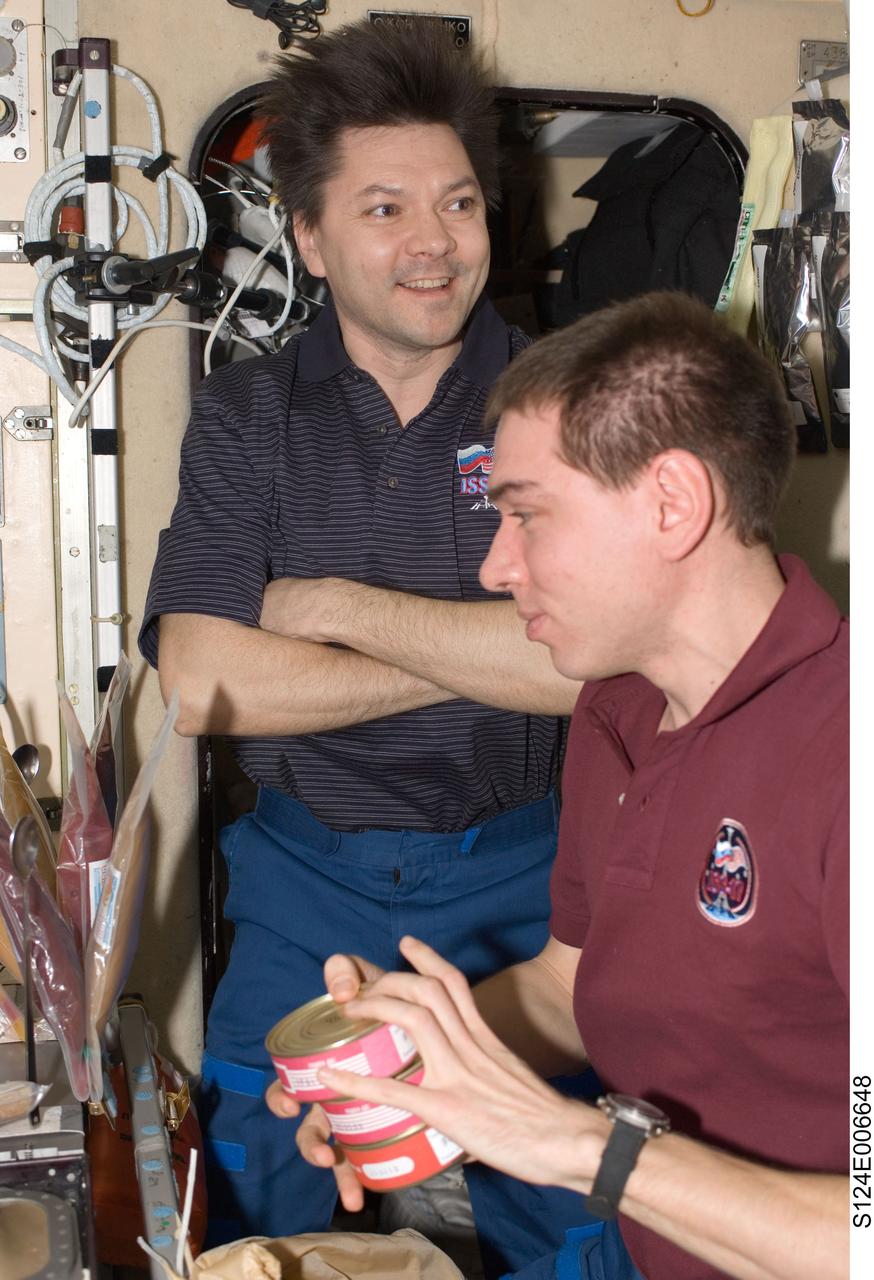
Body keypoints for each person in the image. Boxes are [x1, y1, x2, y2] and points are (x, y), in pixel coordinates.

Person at [268, 291, 849, 1280]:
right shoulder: (616, 710)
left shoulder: (844, 750)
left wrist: (580, 1144)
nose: (498, 565)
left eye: (527, 515)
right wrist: (405, 1064)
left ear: (672, 503)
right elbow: (573, 987)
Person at [138, 16, 587, 1260]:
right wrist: (481, 649)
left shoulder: (560, 393)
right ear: (311, 238)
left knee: (561, 1198)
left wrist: (328, 607)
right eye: (384, 209)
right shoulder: (246, 413)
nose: (434, 243)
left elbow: (584, 663)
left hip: (527, 877)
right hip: (300, 879)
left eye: (457, 203)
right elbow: (204, 679)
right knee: (253, 1197)